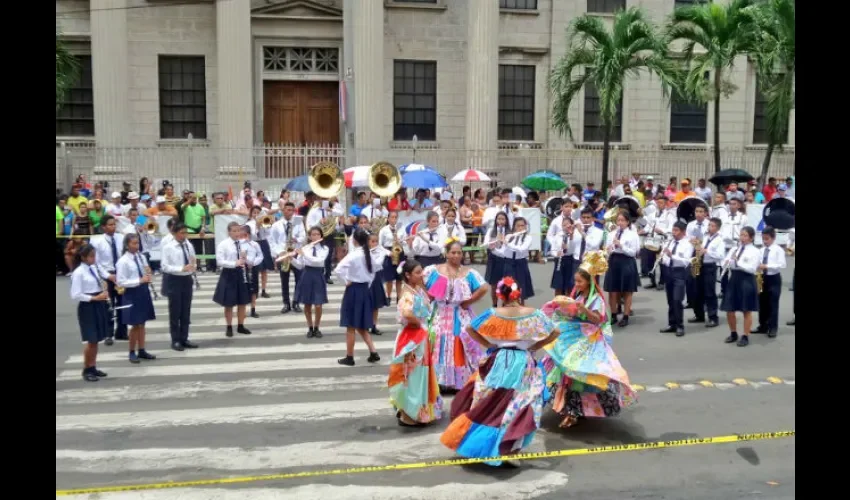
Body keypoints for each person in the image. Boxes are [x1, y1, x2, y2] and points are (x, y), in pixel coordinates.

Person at [440, 276, 561, 467]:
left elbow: (470, 328)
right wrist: (535, 346)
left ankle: (484, 444)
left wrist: (489, 344)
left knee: (490, 402)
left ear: (500, 295)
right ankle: (510, 448)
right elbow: (555, 332)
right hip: (523, 362)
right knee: (520, 403)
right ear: (518, 293)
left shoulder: (493, 313)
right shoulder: (534, 314)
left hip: (498, 360)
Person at [540, 252, 637, 428]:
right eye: (575, 281)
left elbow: (598, 319)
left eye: (580, 282)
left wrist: (583, 309)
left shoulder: (596, 299)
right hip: (574, 338)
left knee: (579, 373)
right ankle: (572, 410)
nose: (576, 284)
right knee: (567, 372)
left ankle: (574, 412)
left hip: (588, 341)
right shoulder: (578, 296)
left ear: (589, 282)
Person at [423, 240, 489, 392]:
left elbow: (484, 287)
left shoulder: (469, 273)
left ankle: (459, 381)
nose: (456, 255)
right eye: (453, 252)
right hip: (439, 313)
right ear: (446, 254)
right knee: (437, 342)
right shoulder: (434, 270)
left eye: (459, 252)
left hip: (459, 314)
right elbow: (421, 283)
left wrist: (469, 301)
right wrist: (428, 298)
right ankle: (437, 381)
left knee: (459, 342)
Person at [388, 259, 443, 427]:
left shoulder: (416, 290)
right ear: (407, 275)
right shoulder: (408, 294)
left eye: (421, 271)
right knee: (412, 375)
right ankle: (409, 414)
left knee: (418, 375)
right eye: (418, 272)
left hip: (418, 337)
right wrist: (419, 323)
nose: (421, 275)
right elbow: (407, 313)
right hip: (412, 339)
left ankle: (415, 412)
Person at [336, 228, 381, 366]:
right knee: (361, 324)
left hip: (354, 289)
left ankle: (349, 357)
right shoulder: (368, 254)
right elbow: (374, 271)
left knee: (351, 325)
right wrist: (367, 283)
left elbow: (338, 269)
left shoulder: (354, 255)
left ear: (354, 240)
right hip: (364, 289)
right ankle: (373, 352)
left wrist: (345, 281)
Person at [70, 244, 111, 381]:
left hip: (98, 303)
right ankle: (86, 369)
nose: (94, 258)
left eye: (94, 255)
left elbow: (99, 282)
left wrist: (103, 288)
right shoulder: (79, 272)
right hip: (88, 306)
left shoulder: (93, 268)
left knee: (97, 339)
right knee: (91, 340)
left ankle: (92, 366)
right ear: (83, 257)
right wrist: (94, 298)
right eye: (91, 256)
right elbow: (75, 294)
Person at [116, 233, 157, 364]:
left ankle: (142, 349)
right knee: (135, 324)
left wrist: (148, 273)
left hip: (143, 291)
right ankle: (131, 351)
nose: (136, 246)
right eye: (134, 243)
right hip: (131, 293)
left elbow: (145, 272)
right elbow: (121, 282)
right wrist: (139, 280)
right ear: (127, 245)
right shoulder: (123, 261)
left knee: (142, 323)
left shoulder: (141, 257)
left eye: (137, 243)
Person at [720, 226, 760, 347]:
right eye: (741, 235)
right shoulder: (734, 249)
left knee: (746, 309)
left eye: (745, 235)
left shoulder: (755, 251)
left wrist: (738, 262)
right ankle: (733, 333)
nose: (742, 238)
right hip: (734, 278)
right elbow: (725, 261)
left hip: (747, 279)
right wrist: (726, 262)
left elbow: (752, 268)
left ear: (751, 238)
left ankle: (745, 335)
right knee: (729, 308)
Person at [90, 215, 126, 345]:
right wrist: (107, 276)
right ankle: (108, 333)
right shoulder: (97, 241)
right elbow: (97, 263)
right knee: (108, 306)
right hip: (107, 275)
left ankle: (121, 331)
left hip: (120, 275)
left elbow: (125, 257)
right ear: (103, 227)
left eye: (114, 224)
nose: (113, 227)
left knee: (122, 304)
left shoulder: (121, 238)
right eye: (110, 225)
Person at [161, 222, 197, 351]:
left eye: (185, 232)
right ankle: (175, 340)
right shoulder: (168, 247)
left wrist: (193, 266)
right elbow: (164, 266)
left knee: (186, 310)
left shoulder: (188, 245)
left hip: (187, 279)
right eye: (181, 233)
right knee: (175, 311)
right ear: (174, 233)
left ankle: (184, 338)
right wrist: (180, 268)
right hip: (174, 279)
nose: (184, 235)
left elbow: (193, 259)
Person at [213, 222, 253, 338]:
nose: (237, 233)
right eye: (234, 231)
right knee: (229, 303)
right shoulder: (223, 244)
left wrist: (247, 260)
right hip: (229, 273)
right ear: (229, 232)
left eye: (238, 230)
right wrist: (234, 263)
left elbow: (248, 257)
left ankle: (241, 325)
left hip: (241, 272)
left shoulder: (243, 243)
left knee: (242, 302)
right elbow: (220, 261)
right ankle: (229, 326)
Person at [291, 226, 330, 338]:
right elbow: (300, 265)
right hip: (307, 275)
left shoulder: (324, 248)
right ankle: (310, 327)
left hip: (318, 275)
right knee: (307, 304)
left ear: (321, 236)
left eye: (318, 234)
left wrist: (304, 254)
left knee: (318, 305)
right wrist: (291, 259)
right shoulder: (305, 248)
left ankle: (317, 327)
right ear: (309, 236)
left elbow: (318, 261)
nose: (315, 236)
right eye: (313, 234)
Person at [603, 211, 640, 327]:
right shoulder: (611, 234)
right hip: (614, 261)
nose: (620, 223)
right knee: (612, 290)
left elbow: (634, 252)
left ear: (628, 222)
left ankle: (625, 316)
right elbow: (607, 249)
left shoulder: (632, 235)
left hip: (627, 261)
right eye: (618, 220)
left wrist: (621, 245)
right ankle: (613, 315)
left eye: (623, 220)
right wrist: (608, 250)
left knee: (627, 290)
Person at [269, 202, 306, 314]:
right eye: (288, 210)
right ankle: (286, 303)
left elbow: (303, 236)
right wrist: (279, 252)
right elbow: (272, 241)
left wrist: (297, 239)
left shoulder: (298, 223)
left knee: (299, 280)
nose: (290, 212)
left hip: (295, 253)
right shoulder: (276, 225)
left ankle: (296, 302)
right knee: (284, 280)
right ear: (283, 211)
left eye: (292, 210)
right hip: (283, 254)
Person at [659, 221, 694, 337]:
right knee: (670, 300)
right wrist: (662, 257)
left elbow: (686, 261)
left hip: (679, 272)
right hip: (668, 271)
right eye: (673, 230)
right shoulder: (670, 242)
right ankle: (672, 324)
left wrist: (671, 256)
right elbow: (665, 257)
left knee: (677, 299)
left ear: (683, 232)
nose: (673, 233)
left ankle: (680, 326)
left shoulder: (687, 244)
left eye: (676, 230)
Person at [689, 217, 725, 328]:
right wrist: (697, 245)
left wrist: (707, 251)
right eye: (709, 225)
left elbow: (720, 255)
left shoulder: (719, 240)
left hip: (710, 266)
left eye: (713, 226)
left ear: (718, 228)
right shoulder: (705, 237)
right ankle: (699, 315)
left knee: (709, 292)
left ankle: (713, 317)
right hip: (700, 264)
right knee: (697, 291)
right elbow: (700, 248)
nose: (710, 227)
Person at [753, 226, 786, 338]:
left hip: (773, 278)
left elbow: (782, 264)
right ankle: (763, 325)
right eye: (763, 239)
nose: (765, 241)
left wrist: (767, 266)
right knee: (762, 303)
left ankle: (773, 327)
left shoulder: (778, 250)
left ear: (773, 238)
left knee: (773, 303)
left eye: (767, 239)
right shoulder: (761, 250)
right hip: (762, 278)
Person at [501, 216, 535, 304]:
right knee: (507, 290)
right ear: (514, 227)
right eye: (518, 226)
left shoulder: (528, 238)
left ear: (525, 227)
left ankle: (521, 309)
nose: (520, 228)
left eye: (522, 226)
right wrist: (493, 248)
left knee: (521, 291)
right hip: (508, 263)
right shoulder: (509, 236)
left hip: (520, 263)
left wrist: (507, 244)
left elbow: (522, 249)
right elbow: (503, 252)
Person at [247, 205, 276, 299]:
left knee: (264, 270)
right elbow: (252, 236)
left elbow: (268, 233)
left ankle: (263, 290)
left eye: (258, 213)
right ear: (251, 214)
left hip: (263, 244)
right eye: (254, 212)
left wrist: (266, 224)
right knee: (254, 269)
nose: (256, 214)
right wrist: (257, 226)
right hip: (254, 245)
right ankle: (254, 291)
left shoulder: (264, 221)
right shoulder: (248, 224)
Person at [482, 211, 510, 307]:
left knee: (505, 285)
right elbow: (485, 244)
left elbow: (510, 246)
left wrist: (504, 241)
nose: (501, 221)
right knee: (494, 285)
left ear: (506, 221)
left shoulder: (509, 232)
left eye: (503, 219)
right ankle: (494, 305)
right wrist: (494, 242)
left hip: (506, 260)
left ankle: (504, 306)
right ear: (495, 220)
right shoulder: (491, 230)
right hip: (494, 260)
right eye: (499, 219)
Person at [379, 211, 405, 305]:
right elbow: (379, 245)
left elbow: (405, 241)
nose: (394, 219)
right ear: (388, 218)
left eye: (395, 217)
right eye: (392, 217)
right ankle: (388, 296)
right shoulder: (383, 230)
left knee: (399, 277)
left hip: (399, 251)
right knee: (389, 278)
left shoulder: (401, 229)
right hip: (389, 252)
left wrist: (400, 241)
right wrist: (388, 252)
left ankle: (399, 297)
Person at [367, 232, 389, 336]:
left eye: (376, 241)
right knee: (367, 304)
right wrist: (382, 254)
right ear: (368, 242)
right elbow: (375, 264)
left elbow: (389, 254)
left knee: (375, 305)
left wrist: (384, 251)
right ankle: (365, 324)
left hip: (376, 278)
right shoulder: (364, 252)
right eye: (372, 241)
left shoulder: (380, 251)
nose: (375, 243)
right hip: (366, 279)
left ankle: (374, 325)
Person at [549, 216, 576, 295]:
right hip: (559, 260)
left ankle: (569, 301)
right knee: (558, 285)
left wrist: (571, 236)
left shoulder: (574, 235)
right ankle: (558, 302)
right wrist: (556, 254)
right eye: (563, 225)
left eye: (567, 224)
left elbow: (572, 249)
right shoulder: (558, 236)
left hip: (569, 260)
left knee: (569, 286)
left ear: (571, 225)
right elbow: (553, 249)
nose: (566, 226)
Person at [242, 225, 265, 319]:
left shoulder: (254, 244)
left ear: (248, 234)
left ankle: (253, 310)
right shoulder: (239, 244)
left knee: (253, 290)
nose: (244, 236)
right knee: (243, 289)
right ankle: (242, 311)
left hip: (253, 267)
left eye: (245, 234)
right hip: (242, 267)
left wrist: (254, 263)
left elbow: (260, 255)